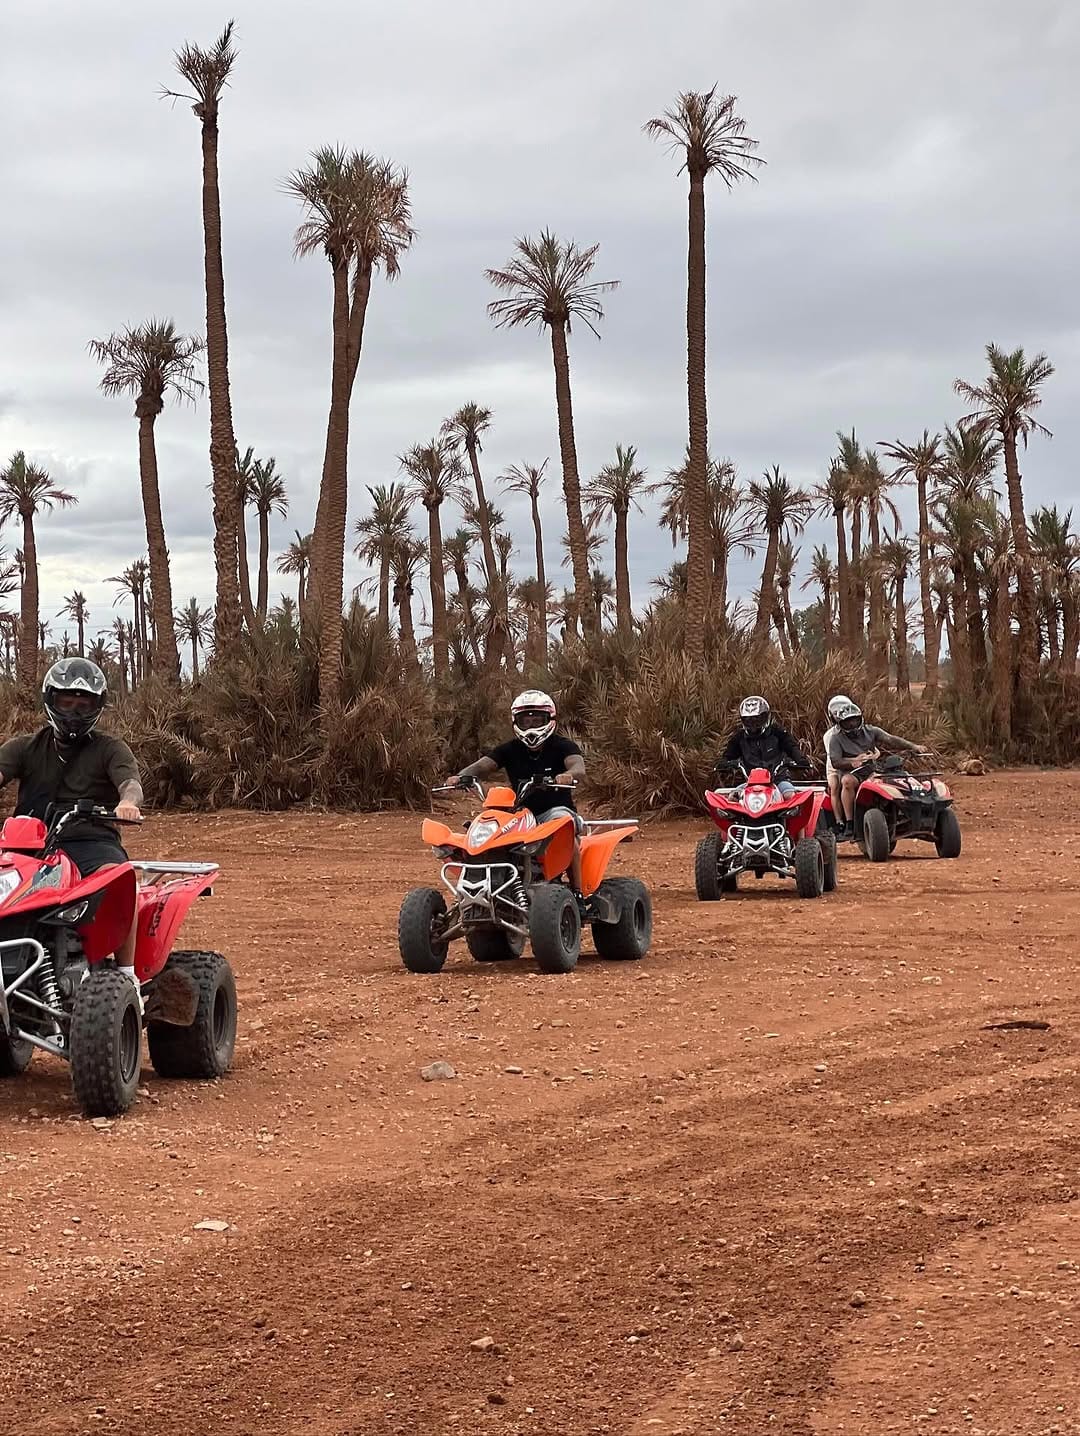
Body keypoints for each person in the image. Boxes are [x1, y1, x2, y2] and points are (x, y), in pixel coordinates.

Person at [0, 658, 144, 997]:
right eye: (67, 702)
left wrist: (128, 804)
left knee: (122, 878)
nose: (75, 712)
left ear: (98, 706)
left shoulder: (110, 749)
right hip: (30, 845)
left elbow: (131, 783)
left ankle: (128, 977)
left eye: (84, 704)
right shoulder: (25, 747)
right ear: (51, 700)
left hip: (91, 841)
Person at [444, 690, 587, 893]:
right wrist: (461, 776)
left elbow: (578, 768)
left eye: (537, 720)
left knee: (564, 827)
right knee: (485, 833)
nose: (531, 726)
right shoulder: (510, 749)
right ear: (516, 721)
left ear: (550, 719)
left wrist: (568, 775)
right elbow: (484, 766)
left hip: (555, 810)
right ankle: (480, 890)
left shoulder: (563, 746)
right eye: (525, 721)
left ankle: (577, 893)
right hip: (520, 814)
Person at [827, 702, 931, 840]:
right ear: (840, 723)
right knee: (846, 782)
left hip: (872, 770)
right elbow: (835, 761)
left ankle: (901, 813)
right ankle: (850, 823)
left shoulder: (871, 731)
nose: (852, 724)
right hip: (852, 772)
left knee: (893, 779)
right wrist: (853, 762)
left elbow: (891, 739)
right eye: (848, 722)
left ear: (860, 718)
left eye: (855, 720)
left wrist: (913, 746)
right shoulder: (836, 738)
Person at [718, 696, 813, 798]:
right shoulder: (739, 738)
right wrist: (724, 764)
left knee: (790, 796)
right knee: (732, 798)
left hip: (778, 780)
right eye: (748, 720)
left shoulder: (777, 733)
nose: (753, 724)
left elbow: (792, 747)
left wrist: (800, 760)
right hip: (751, 783)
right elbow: (728, 755)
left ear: (766, 717)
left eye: (756, 720)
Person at [823, 692, 854, 826]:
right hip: (835, 765)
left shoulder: (854, 729)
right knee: (835, 785)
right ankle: (839, 821)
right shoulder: (830, 735)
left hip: (852, 763)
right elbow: (835, 758)